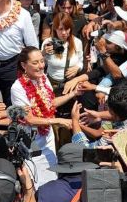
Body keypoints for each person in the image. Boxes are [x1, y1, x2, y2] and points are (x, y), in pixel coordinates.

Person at [10, 47, 77, 183]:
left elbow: (50, 103)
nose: (41, 66)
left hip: (47, 137)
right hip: (31, 141)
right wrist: (57, 120)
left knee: (52, 176)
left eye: (42, 61)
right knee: (36, 180)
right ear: (24, 65)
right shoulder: (17, 88)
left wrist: (73, 94)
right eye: (35, 63)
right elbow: (29, 119)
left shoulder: (44, 79)